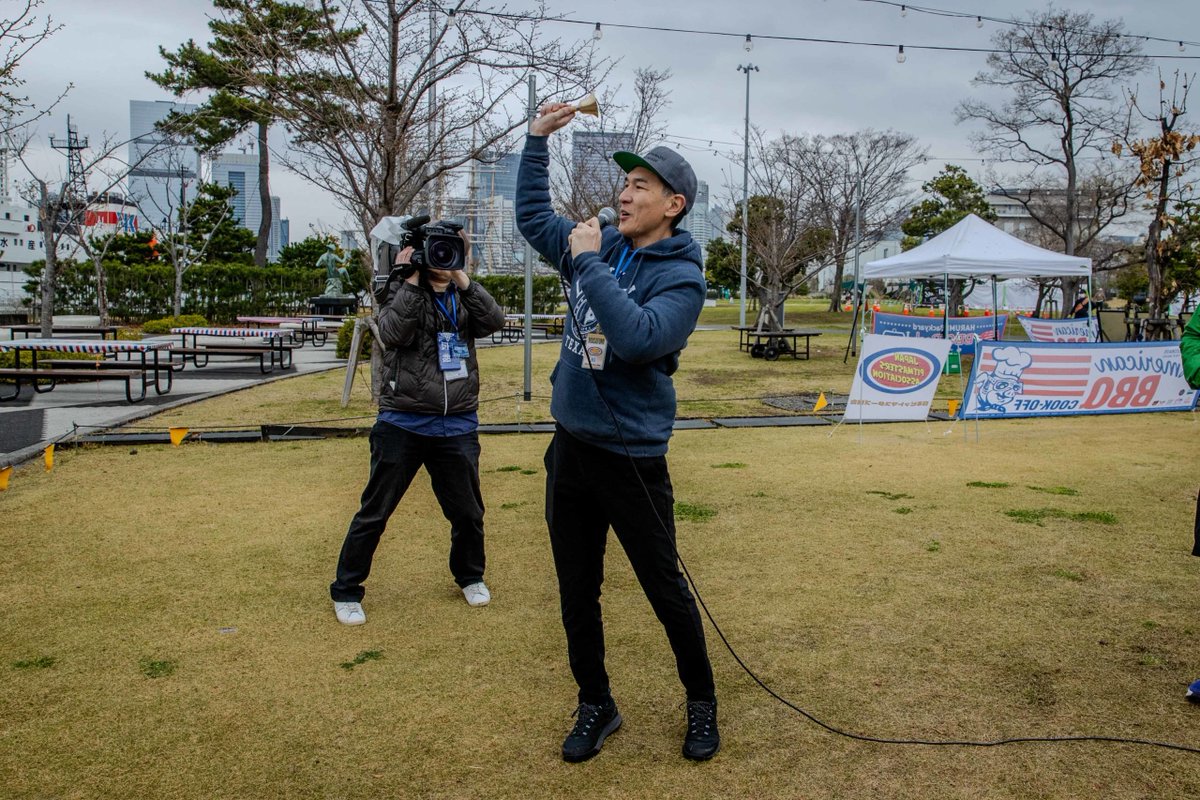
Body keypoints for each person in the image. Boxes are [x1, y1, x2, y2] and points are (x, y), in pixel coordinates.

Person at [516, 102, 719, 763]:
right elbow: (529, 220)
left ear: (674, 205)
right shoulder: (601, 246)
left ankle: (702, 703)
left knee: (665, 589)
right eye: (623, 184)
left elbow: (635, 341)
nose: (624, 194)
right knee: (577, 588)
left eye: (641, 187)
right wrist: (537, 140)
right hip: (570, 450)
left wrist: (590, 261)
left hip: (631, 461)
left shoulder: (680, 278)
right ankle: (596, 703)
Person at [329, 234, 506, 625]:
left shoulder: (463, 293)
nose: (444, 257)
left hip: (457, 421)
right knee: (375, 512)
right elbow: (391, 334)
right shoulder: (400, 287)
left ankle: (470, 576)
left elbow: (495, 321)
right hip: (403, 420)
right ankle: (346, 590)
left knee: (468, 513)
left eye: (454, 250)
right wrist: (409, 277)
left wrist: (461, 278)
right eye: (439, 251)